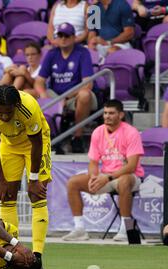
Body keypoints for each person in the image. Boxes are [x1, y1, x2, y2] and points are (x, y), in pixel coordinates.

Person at [0, 85, 52, 269]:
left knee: (37, 195)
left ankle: (37, 256)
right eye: (0, 113)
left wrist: (34, 179)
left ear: (17, 105)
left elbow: (36, 143)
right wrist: (0, 179)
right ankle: (12, 252)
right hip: (9, 145)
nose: (4, 116)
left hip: (35, 144)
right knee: (7, 196)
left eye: (8, 112)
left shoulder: (29, 107)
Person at [62, 99, 145, 242]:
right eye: (105, 113)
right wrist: (94, 176)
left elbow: (131, 166)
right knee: (73, 182)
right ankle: (79, 228)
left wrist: (107, 178)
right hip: (106, 176)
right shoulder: (98, 132)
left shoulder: (131, 133)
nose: (107, 116)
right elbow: (93, 162)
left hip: (130, 176)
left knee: (125, 181)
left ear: (121, 115)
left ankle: (126, 229)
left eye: (111, 113)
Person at [34, 23, 97, 153]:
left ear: (74, 37)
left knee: (85, 94)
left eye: (67, 35)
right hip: (56, 95)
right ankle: (37, 137)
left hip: (75, 95)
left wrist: (65, 98)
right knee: (28, 94)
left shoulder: (82, 52)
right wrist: (46, 98)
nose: (63, 38)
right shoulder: (52, 54)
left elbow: (87, 83)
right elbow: (39, 81)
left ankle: (77, 137)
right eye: (60, 35)